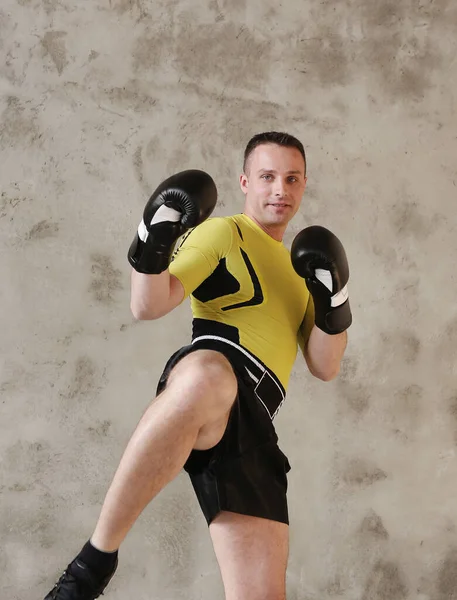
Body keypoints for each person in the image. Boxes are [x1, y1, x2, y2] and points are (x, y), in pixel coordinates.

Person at [44, 131, 352, 600]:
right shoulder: (225, 232)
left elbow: (325, 365)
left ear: (304, 184)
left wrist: (334, 298)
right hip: (216, 370)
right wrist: (154, 236)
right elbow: (148, 305)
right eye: (268, 177)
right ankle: (91, 567)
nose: (280, 190)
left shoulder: (302, 267)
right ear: (245, 181)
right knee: (206, 377)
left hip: (256, 421)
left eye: (292, 179)